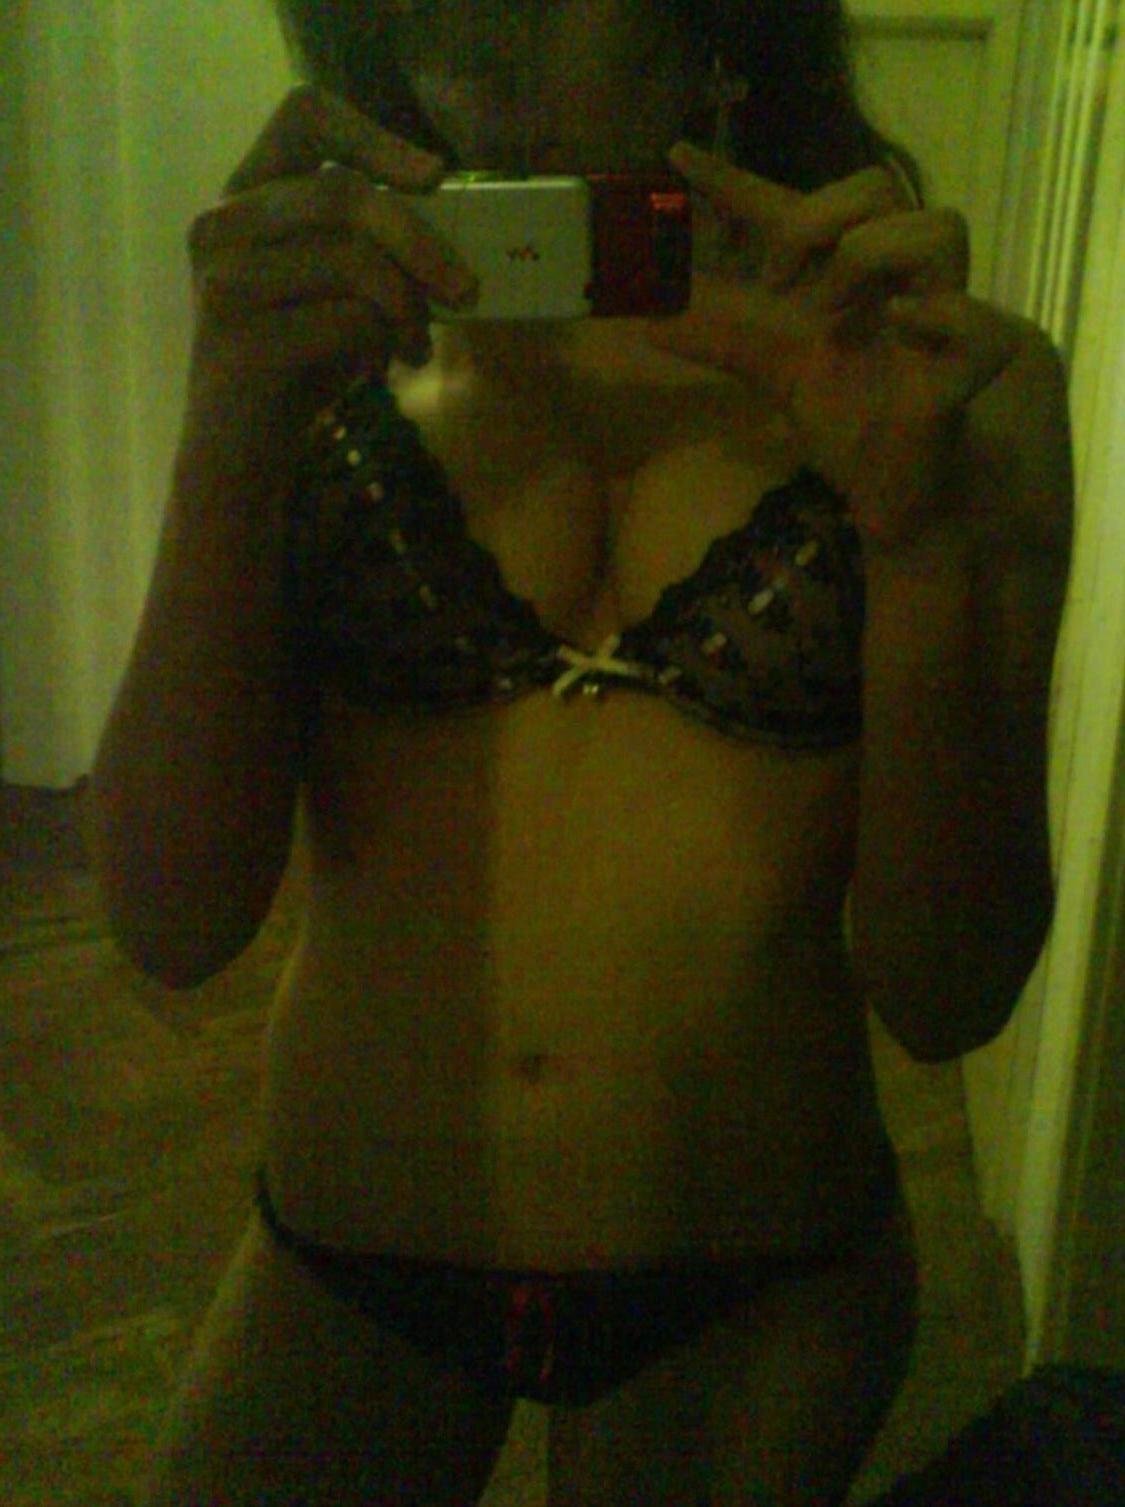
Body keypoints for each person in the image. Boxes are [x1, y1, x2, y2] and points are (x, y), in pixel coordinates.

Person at [89, 1, 1075, 1503]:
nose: (477, 18)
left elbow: (951, 993)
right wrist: (223, 436)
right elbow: (172, 923)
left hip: (759, 1279)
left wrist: (917, 534)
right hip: (345, 1248)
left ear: (719, 26)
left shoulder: (950, 389)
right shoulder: (316, 356)